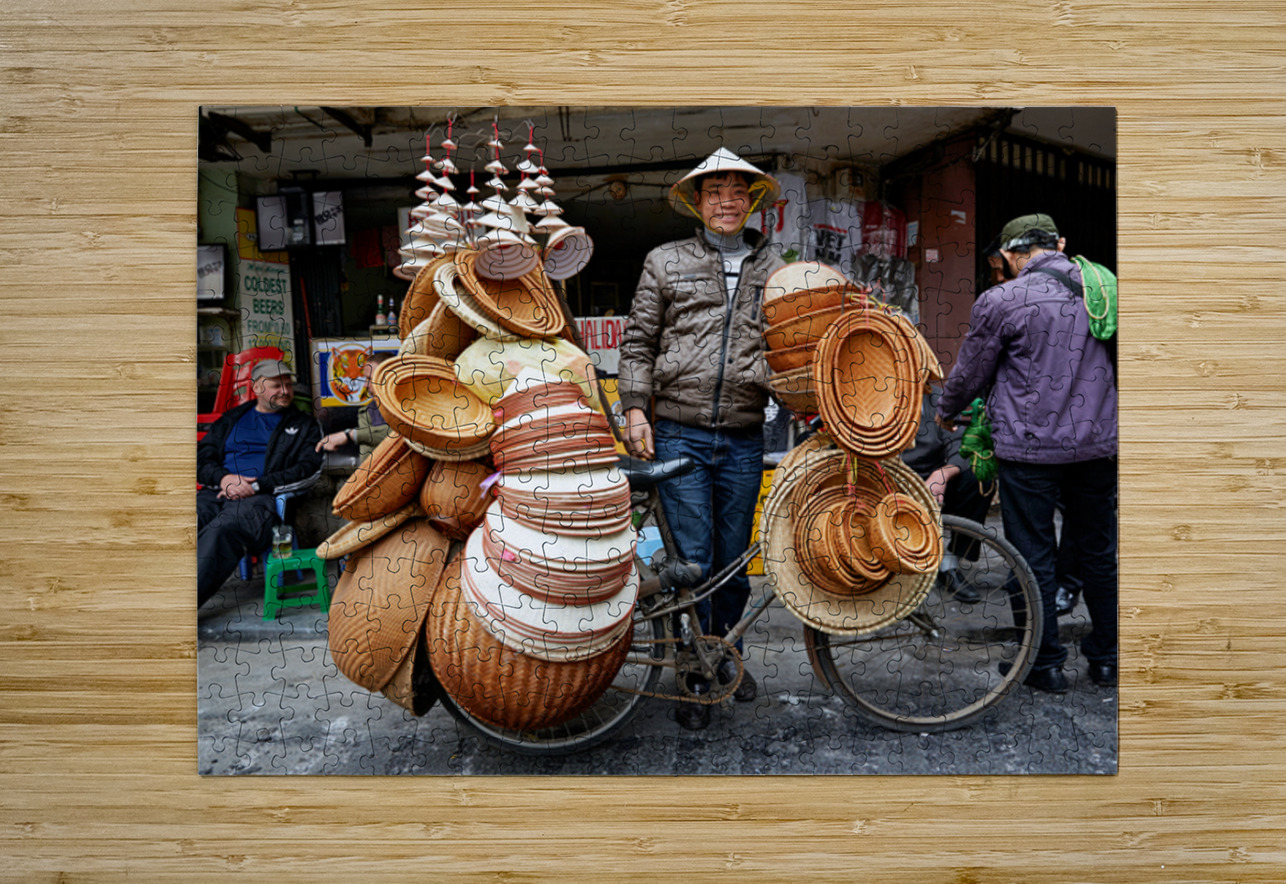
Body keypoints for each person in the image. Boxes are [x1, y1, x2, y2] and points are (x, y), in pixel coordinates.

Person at [618, 147, 783, 730]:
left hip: (742, 434)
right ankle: (694, 669)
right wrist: (635, 409)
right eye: (714, 192)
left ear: (752, 200)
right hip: (680, 433)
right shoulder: (665, 261)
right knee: (696, 560)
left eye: (738, 191)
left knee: (735, 563)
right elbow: (637, 341)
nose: (726, 201)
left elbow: (792, 344)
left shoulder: (777, 268)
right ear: (697, 201)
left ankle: (724, 653)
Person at [936, 213, 1118, 692]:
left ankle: (1044, 665)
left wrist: (947, 410)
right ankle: (1108, 660)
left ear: (1014, 255)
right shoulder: (1103, 285)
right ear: (1058, 243)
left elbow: (971, 371)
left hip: (1030, 451)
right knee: (1099, 554)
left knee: (1030, 556)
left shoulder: (1002, 299)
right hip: (1097, 447)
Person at [197, 359, 322, 609]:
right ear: (255, 388)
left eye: (288, 384)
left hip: (260, 501)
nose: (285, 391)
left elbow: (308, 470)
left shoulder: (304, 425)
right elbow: (201, 458)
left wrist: (255, 486)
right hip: (217, 492)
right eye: (276, 385)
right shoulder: (231, 419)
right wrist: (224, 479)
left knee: (221, 531)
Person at [902, 385, 995, 604]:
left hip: (932, 480)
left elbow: (962, 446)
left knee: (979, 475)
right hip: (887, 480)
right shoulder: (866, 398)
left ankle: (949, 561)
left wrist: (943, 474)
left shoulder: (938, 398)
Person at [317, 352, 392, 459]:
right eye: (365, 379)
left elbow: (403, 434)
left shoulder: (414, 407)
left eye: (371, 379)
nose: (365, 385)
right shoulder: (367, 412)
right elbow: (366, 460)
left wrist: (350, 435)